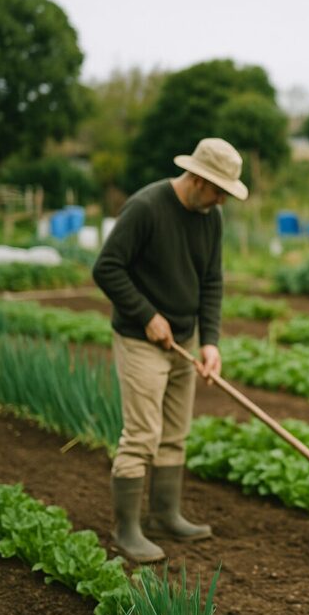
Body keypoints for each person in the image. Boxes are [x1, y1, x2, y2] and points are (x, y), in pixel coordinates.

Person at [93, 137, 249, 563]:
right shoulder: (146, 208)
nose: (222, 200)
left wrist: (210, 341)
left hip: (185, 338)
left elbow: (212, 282)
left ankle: (165, 514)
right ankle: (127, 529)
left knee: (175, 434)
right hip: (141, 338)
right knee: (142, 434)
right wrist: (146, 314)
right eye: (219, 190)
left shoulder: (210, 218)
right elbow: (106, 268)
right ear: (198, 179)